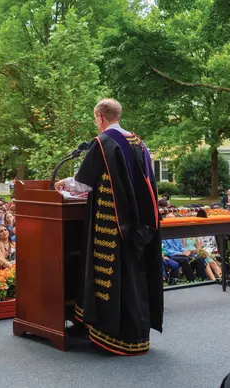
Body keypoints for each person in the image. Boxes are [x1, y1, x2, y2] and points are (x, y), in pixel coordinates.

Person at [54, 98, 162, 356]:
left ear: (99, 116)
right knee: (133, 275)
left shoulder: (103, 143)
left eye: (95, 118)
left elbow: (83, 183)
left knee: (114, 278)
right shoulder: (137, 141)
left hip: (111, 227)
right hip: (136, 226)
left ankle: (113, 334)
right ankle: (136, 336)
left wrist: (63, 183)